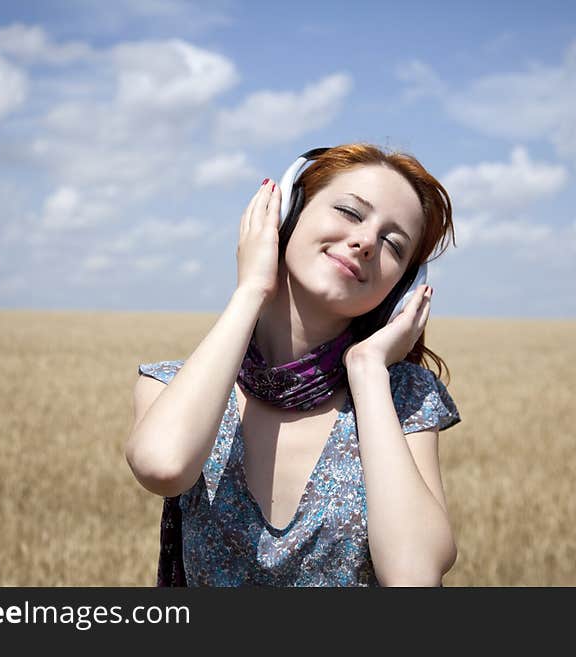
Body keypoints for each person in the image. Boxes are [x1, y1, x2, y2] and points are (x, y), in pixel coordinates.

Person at [126, 143, 461, 587]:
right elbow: (163, 465)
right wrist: (250, 291)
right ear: (287, 213)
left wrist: (367, 370)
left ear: (402, 290)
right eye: (349, 211)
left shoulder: (404, 399)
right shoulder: (173, 385)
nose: (365, 242)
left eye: (392, 244)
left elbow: (414, 578)